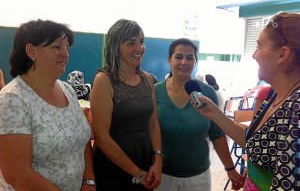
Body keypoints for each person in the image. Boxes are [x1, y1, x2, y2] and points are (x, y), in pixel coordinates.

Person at [192, 12, 300, 190]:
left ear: (283, 54)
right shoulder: (275, 94)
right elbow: (252, 140)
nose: (254, 55)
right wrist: (216, 114)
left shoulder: (296, 107)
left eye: (259, 46)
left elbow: (287, 183)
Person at [0, 19, 95, 191]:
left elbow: (82, 139)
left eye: (67, 48)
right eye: (57, 47)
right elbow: (17, 174)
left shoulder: (68, 90)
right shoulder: (12, 100)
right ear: (31, 50)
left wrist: (88, 182)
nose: (65, 54)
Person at [154, 38, 244, 191]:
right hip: (163, 174)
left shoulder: (207, 92)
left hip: (198, 177)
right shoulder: (155, 91)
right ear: (169, 60)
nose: (184, 62)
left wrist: (230, 168)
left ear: (195, 61)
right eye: (178, 56)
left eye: (190, 57)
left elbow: (217, 134)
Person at [90, 19, 162, 191]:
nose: (139, 48)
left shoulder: (147, 79)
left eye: (141, 42)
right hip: (113, 163)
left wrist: (158, 159)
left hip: (145, 158)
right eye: (131, 43)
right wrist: (137, 174)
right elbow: (102, 137)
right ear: (116, 46)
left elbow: (153, 124)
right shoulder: (104, 80)